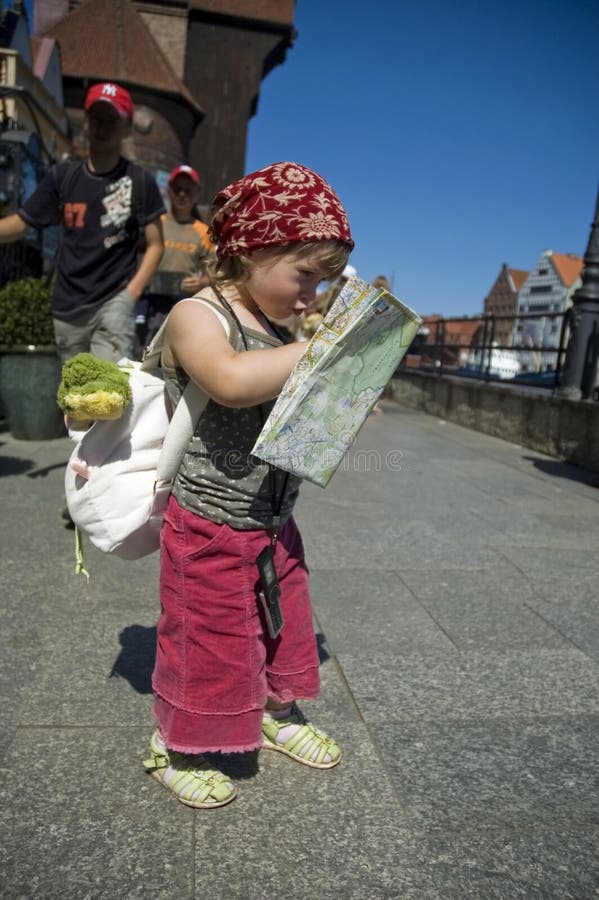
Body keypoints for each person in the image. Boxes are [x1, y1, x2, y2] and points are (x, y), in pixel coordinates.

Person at [142, 161, 354, 808]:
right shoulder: (194, 315)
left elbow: (289, 409)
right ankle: (171, 745)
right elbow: (230, 380)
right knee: (206, 639)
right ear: (254, 248)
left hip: (271, 519)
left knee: (285, 624)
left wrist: (346, 389)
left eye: (323, 283)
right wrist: (323, 351)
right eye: (305, 276)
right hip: (206, 520)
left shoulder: (279, 328)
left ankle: (274, 708)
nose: (310, 297)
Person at [0, 81, 165, 363]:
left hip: (113, 302)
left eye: (111, 120)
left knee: (106, 393)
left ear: (126, 128)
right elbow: (23, 222)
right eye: (96, 118)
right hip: (67, 306)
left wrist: (131, 293)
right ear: (86, 124)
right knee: (74, 394)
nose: (102, 127)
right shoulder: (62, 177)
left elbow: (156, 245)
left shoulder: (139, 181)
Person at [133, 164, 216, 357]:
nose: (182, 194)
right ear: (169, 190)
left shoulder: (204, 232)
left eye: (188, 190)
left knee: (174, 360)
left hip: (183, 306)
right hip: (148, 305)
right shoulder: (155, 224)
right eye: (177, 188)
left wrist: (202, 282)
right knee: (141, 357)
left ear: (197, 193)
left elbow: (215, 275)